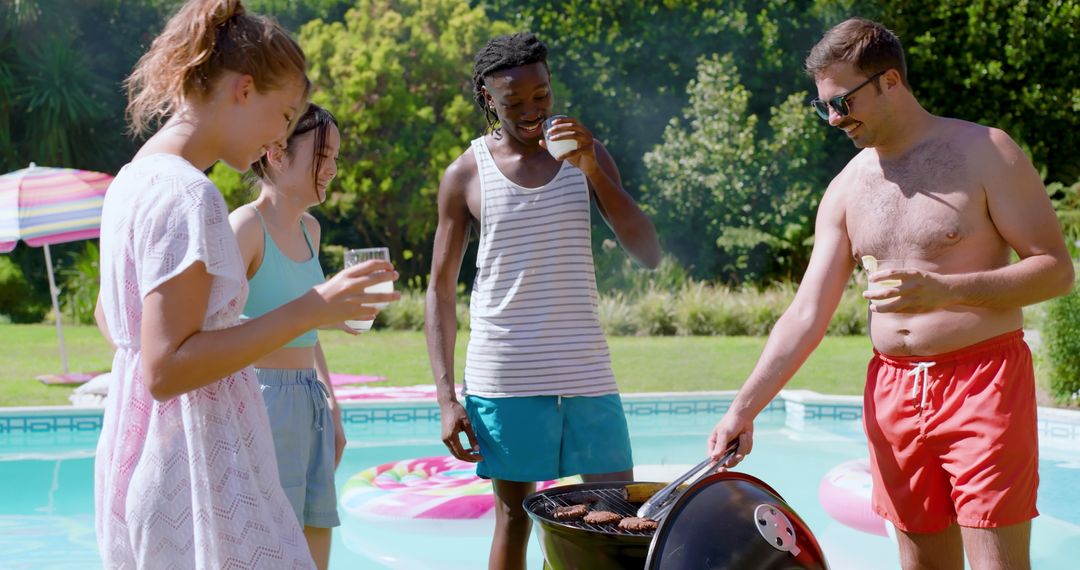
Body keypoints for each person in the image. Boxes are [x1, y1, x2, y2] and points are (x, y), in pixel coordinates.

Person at [706, 17, 1074, 570]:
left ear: (891, 82)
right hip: (892, 393)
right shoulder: (849, 187)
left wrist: (947, 290)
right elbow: (807, 312)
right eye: (823, 106)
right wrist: (744, 408)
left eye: (843, 101)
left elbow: (1055, 271)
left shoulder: (985, 152)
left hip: (983, 382)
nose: (834, 118)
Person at [93, 1, 398, 567]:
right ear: (243, 89)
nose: (275, 140)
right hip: (198, 468)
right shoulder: (190, 195)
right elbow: (167, 370)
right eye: (283, 116)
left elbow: (114, 323)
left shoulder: (133, 179)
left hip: (144, 455)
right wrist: (312, 308)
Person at [425, 32, 662, 570]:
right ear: (489, 99)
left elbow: (647, 252)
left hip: (586, 372)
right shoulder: (465, 174)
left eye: (542, 96)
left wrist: (594, 169)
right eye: (514, 102)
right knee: (513, 521)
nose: (532, 111)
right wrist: (445, 397)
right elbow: (440, 290)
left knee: (618, 518)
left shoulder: (588, 155)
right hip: (504, 377)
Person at [228, 103, 350, 570]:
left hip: (309, 401)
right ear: (277, 153)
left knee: (315, 543)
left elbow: (307, 328)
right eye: (324, 156)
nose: (333, 169)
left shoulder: (311, 230)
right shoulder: (245, 228)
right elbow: (213, 329)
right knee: (265, 548)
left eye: (336, 156)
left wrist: (333, 407)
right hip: (261, 403)